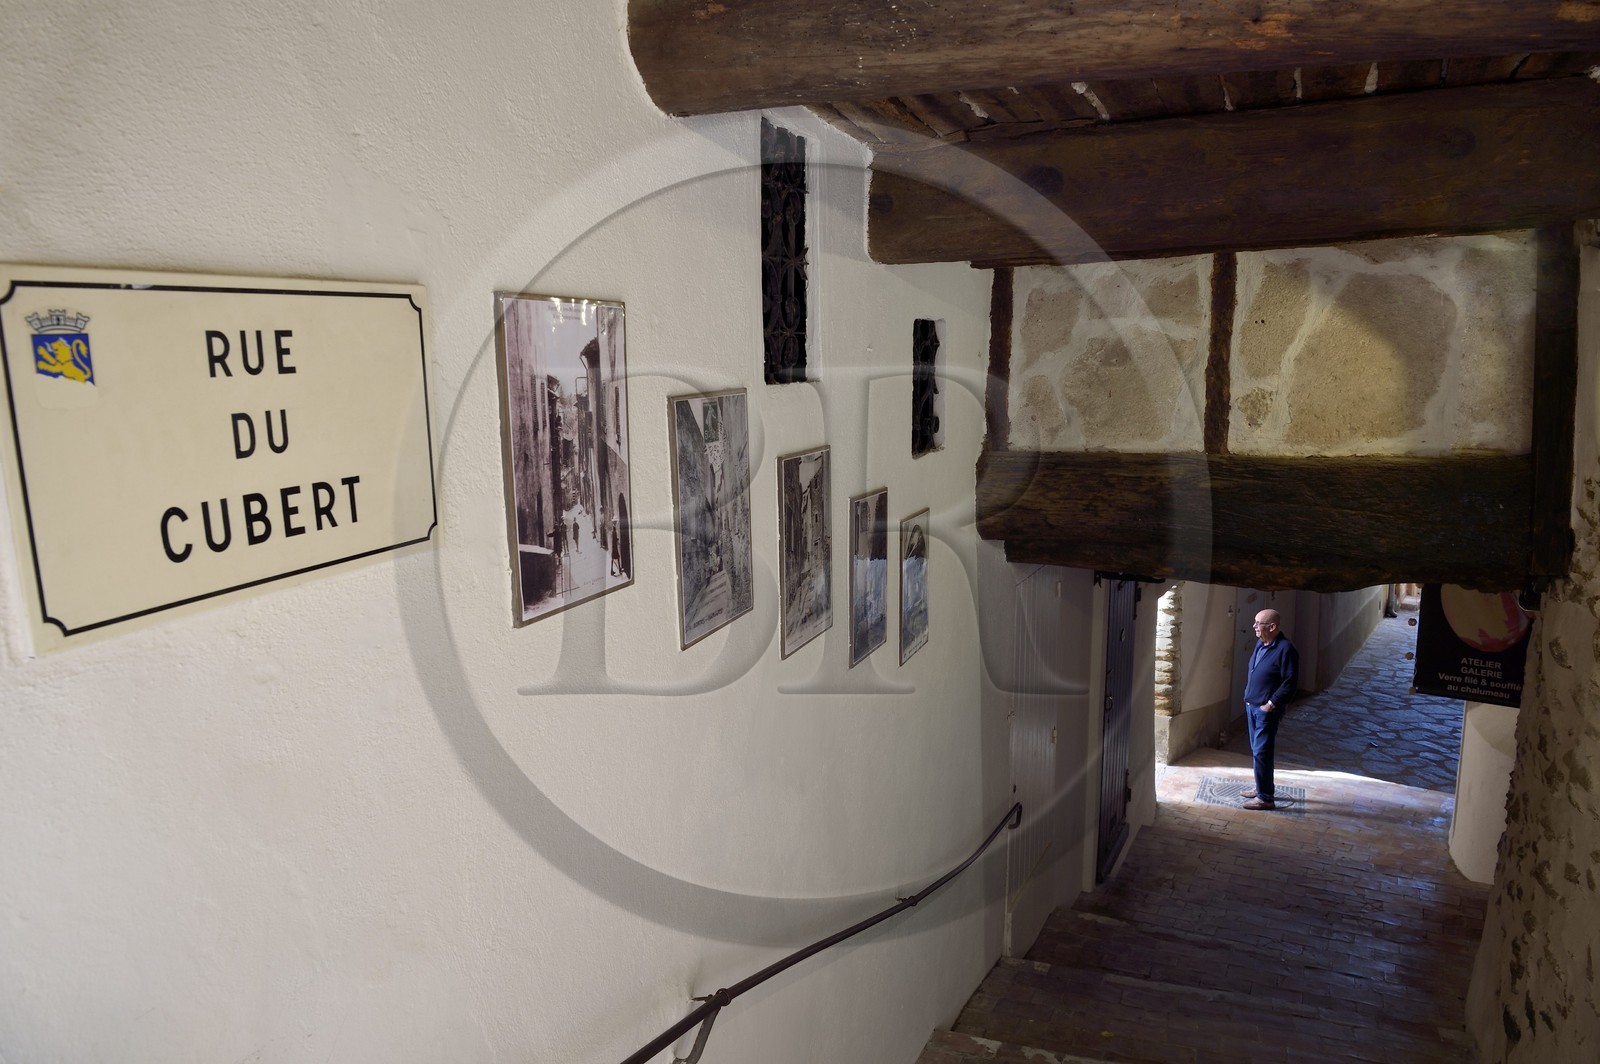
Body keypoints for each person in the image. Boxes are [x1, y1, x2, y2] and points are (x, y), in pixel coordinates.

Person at [1242, 608, 1298, 810]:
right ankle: (1261, 787)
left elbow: (1290, 683)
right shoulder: (1261, 644)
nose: (1254, 626)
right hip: (1252, 706)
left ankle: (1265, 798)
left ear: (1272, 626)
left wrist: (1270, 705)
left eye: (1258, 623)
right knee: (1257, 751)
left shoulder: (1285, 649)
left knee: (1262, 751)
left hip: (1265, 711)